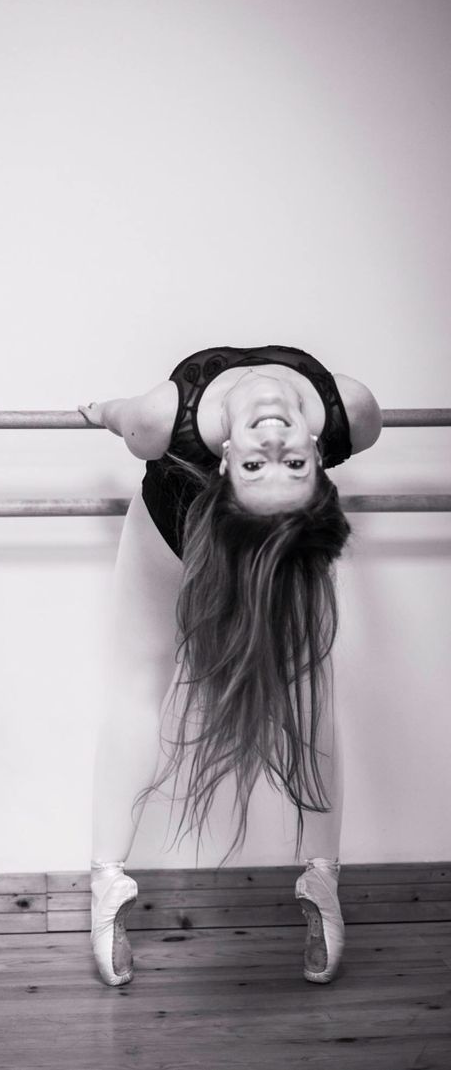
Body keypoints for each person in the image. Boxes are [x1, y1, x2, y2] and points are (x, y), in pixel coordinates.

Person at [79, 345, 382, 988]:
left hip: (227, 537)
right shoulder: (352, 411)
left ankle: (320, 883)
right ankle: (109, 885)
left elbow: (116, 416)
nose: (273, 435)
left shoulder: (162, 418)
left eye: (262, 462)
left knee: (295, 693)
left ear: (226, 462)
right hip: (217, 532)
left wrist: (100, 410)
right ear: (319, 453)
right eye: (286, 460)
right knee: (291, 688)